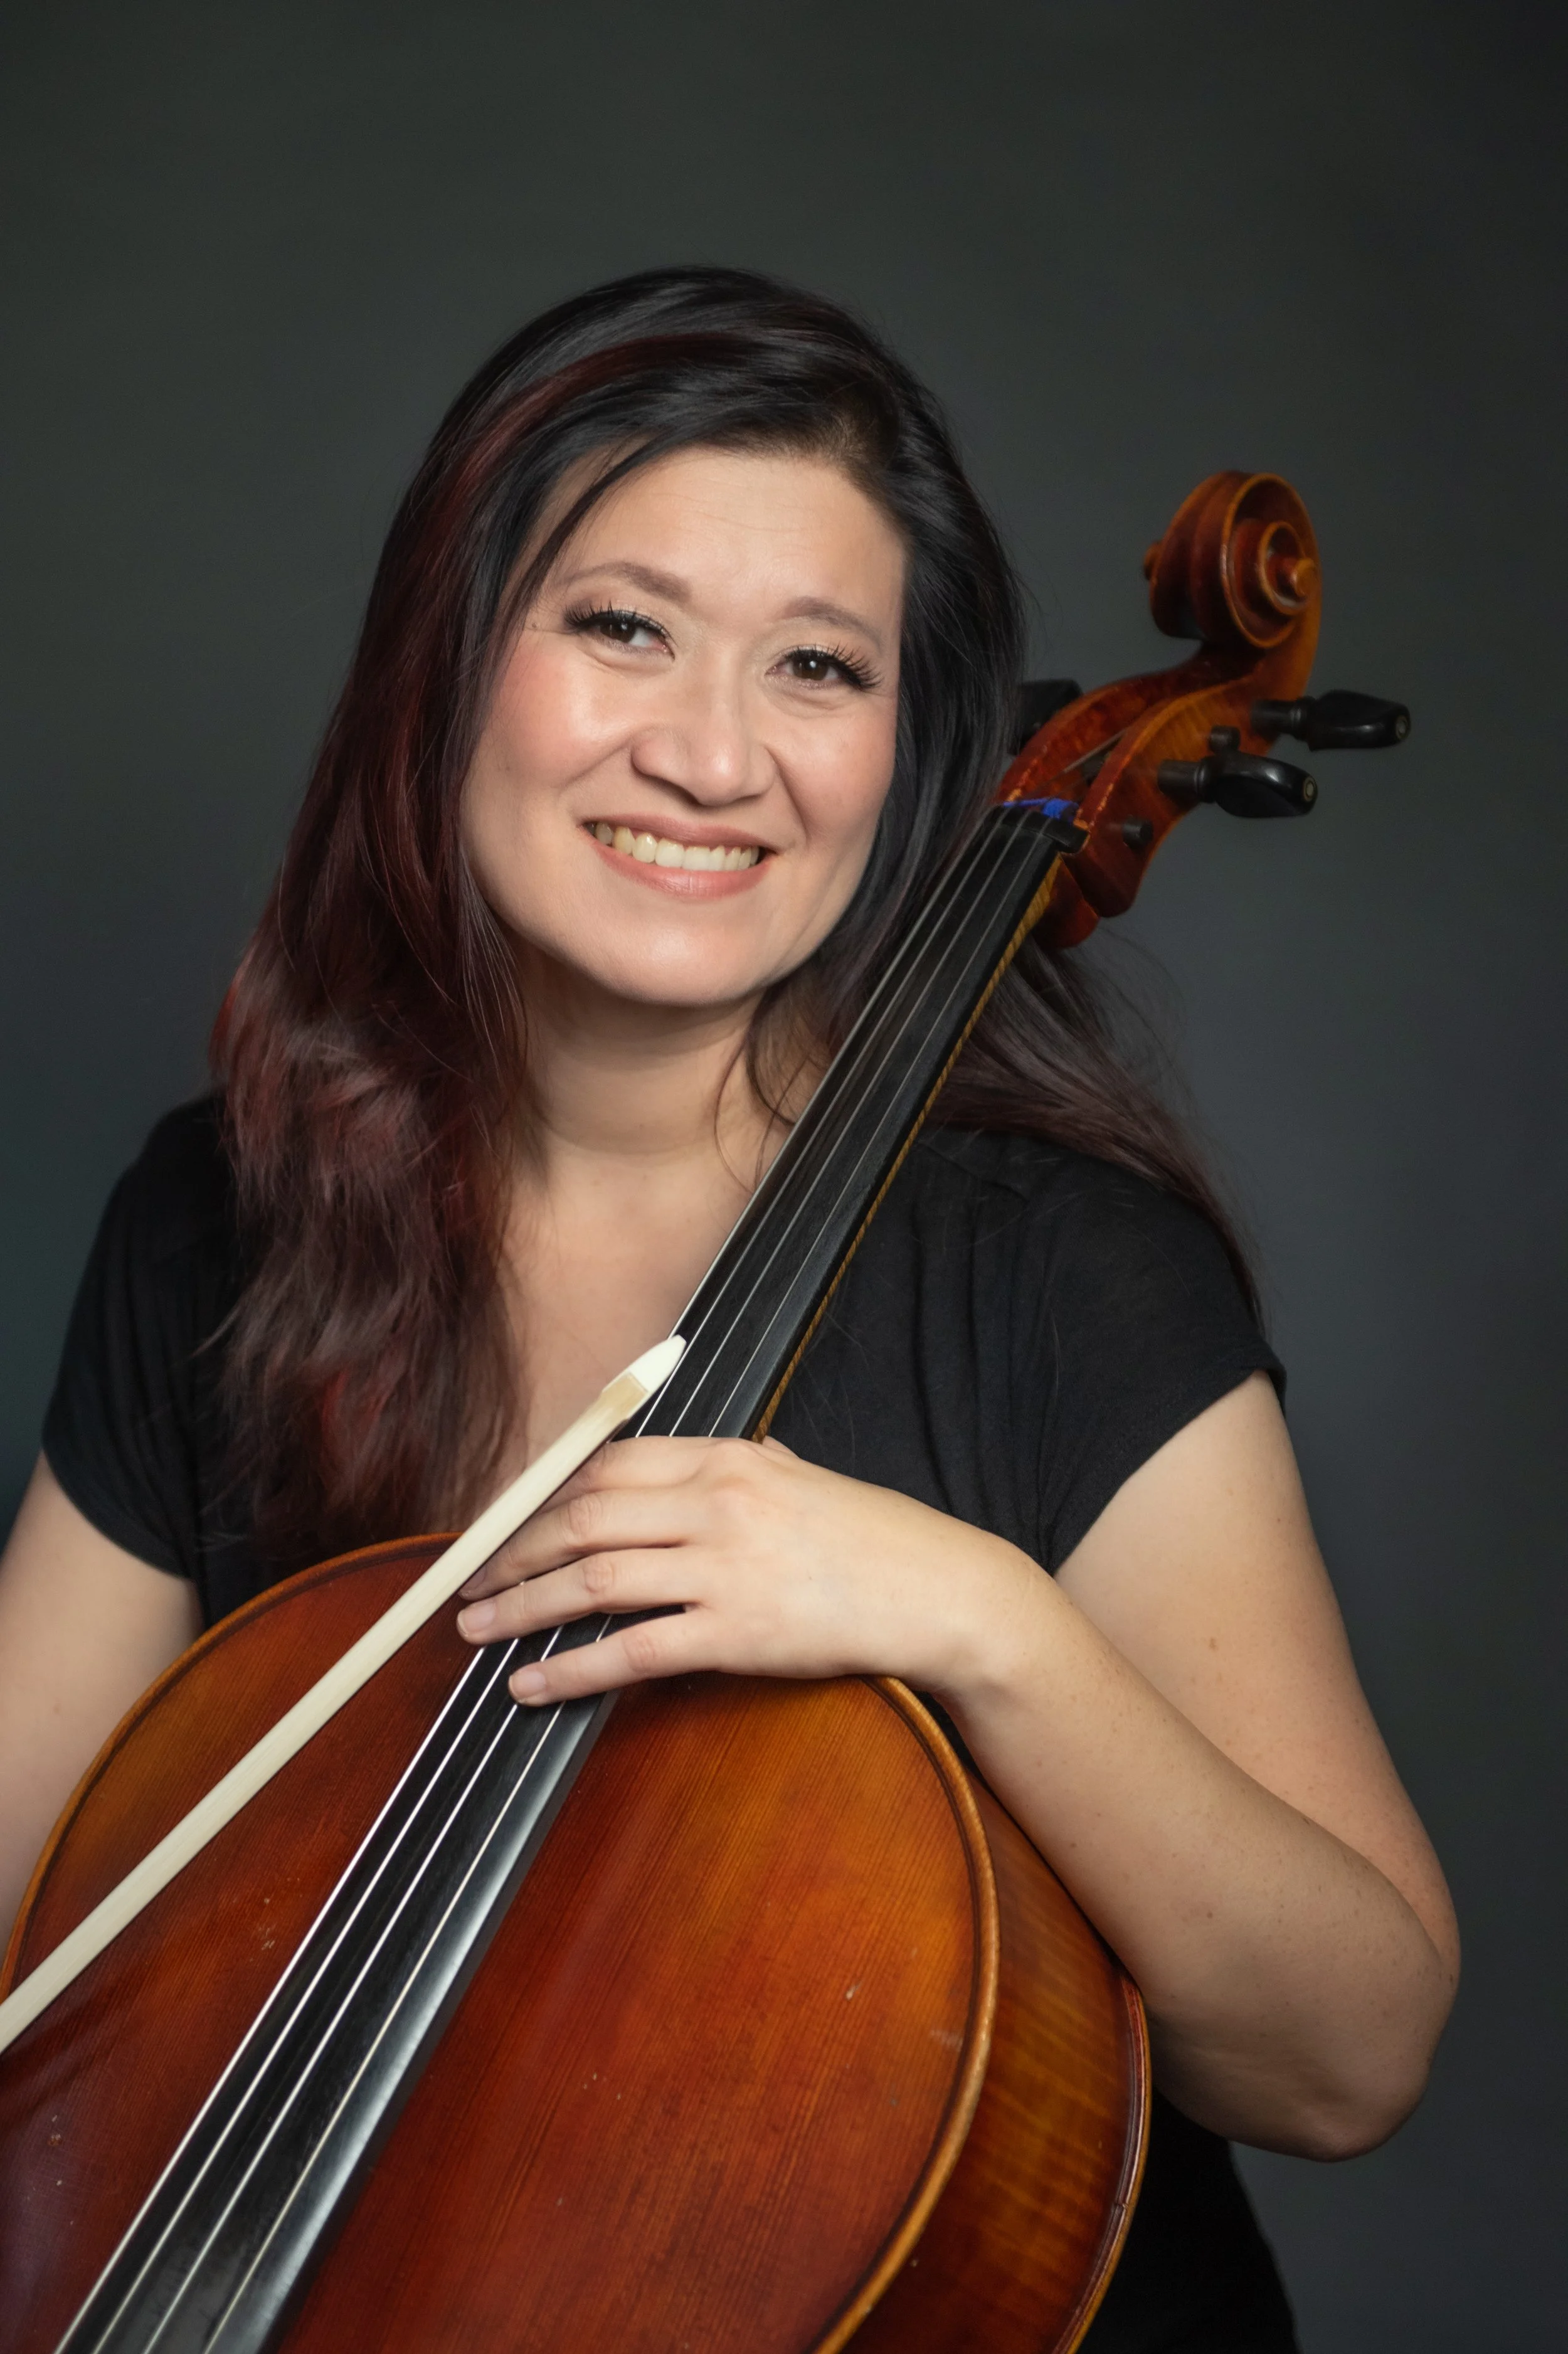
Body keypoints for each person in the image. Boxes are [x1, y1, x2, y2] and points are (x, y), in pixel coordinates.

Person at [0, 267, 1456, 2348]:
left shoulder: (1052, 1271)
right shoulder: (224, 1221)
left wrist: (981, 1620)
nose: (708, 756)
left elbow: (1347, 2055)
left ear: (900, 748)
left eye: (815, 669)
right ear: (447, 668)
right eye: (619, 627)